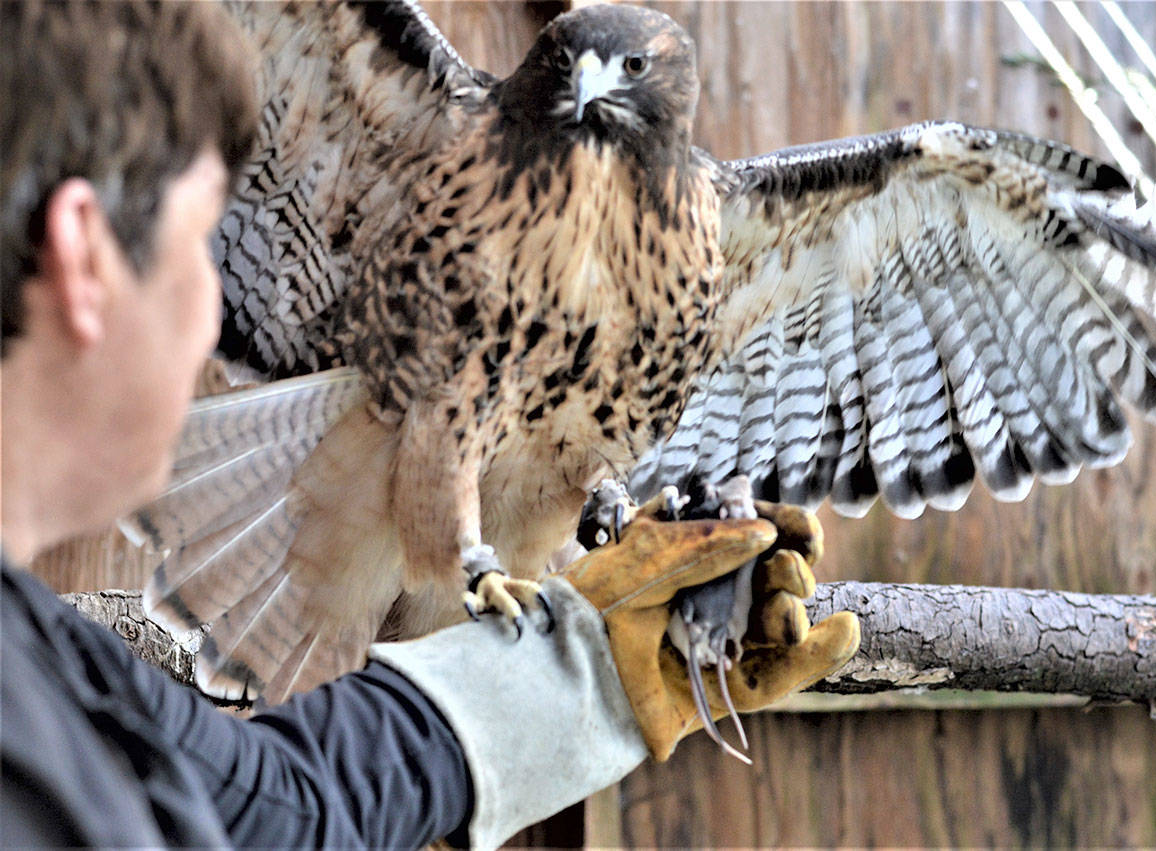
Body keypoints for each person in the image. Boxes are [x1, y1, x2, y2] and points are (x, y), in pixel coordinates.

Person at [0, 1, 859, 847]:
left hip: (539, 501)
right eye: (198, 238)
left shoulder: (50, 680)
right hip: (393, 467)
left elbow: (264, 811)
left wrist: (589, 679)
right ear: (82, 252)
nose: (211, 299)